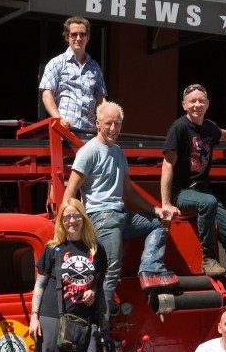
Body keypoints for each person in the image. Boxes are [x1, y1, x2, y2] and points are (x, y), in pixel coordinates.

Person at [64, 100, 177, 314]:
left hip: (120, 215)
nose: (113, 129)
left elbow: (130, 191)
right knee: (111, 272)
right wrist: (67, 227)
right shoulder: (88, 152)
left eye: (117, 124)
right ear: (97, 123)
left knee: (158, 224)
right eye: (109, 124)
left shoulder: (118, 152)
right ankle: (101, 329)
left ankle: (149, 267)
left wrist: (155, 209)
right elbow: (70, 193)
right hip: (101, 217)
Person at [161, 84, 226, 276]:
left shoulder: (209, 127)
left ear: (208, 104)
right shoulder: (179, 128)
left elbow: (223, 134)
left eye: (201, 101)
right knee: (208, 202)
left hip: (202, 192)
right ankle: (208, 258)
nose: (197, 104)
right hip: (181, 192)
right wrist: (166, 203)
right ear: (184, 105)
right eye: (192, 101)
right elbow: (167, 166)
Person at [28, 199, 106, 352]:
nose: (71, 221)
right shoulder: (53, 249)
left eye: (75, 216)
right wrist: (34, 315)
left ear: (83, 218)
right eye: (66, 217)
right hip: (52, 317)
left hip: (84, 320)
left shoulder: (96, 250)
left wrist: (92, 291)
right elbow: (40, 284)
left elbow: (96, 281)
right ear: (60, 221)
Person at [39, 16, 107, 132]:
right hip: (64, 131)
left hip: (89, 133)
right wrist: (58, 119)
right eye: (74, 34)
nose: (78, 38)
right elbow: (46, 95)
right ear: (67, 37)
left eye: (82, 34)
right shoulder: (56, 63)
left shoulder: (95, 67)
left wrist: (106, 120)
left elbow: (101, 100)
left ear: (88, 37)